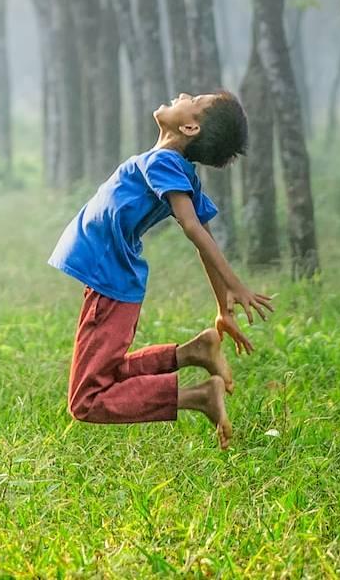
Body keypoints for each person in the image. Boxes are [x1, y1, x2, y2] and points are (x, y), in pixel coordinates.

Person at [47, 91, 271, 448]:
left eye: (193, 98)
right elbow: (204, 234)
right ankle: (193, 353)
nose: (183, 94)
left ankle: (198, 397)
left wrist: (235, 285)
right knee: (108, 373)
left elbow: (194, 228)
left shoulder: (165, 162)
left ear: (189, 126)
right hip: (112, 279)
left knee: (87, 399)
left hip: (110, 281)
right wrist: (221, 306)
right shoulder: (174, 167)